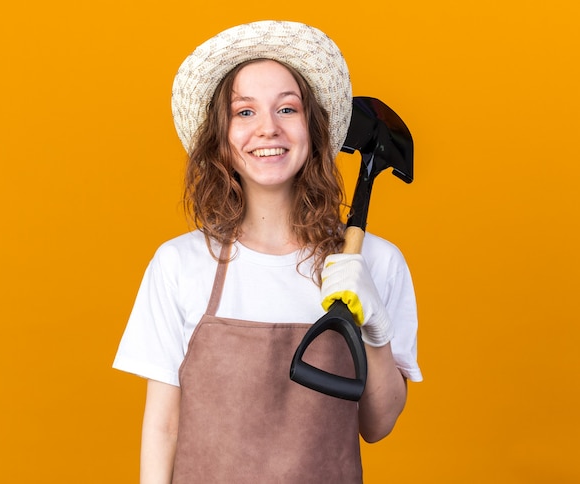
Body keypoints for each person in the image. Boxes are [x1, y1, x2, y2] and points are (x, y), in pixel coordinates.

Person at [113, 20, 422, 483]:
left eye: (287, 108)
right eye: (244, 113)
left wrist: (375, 329)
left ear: (314, 128)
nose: (268, 129)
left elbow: (377, 426)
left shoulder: (375, 263)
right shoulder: (179, 264)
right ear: (221, 136)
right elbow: (163, 427)